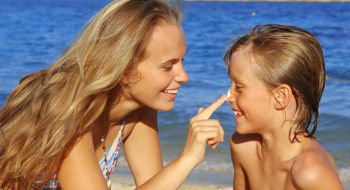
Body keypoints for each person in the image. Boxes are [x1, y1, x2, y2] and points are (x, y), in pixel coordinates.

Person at [0, 0, 226, 189]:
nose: (184, 76)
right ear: (125, 69)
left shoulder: (138, 109)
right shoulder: (67, 110)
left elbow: (155, 184)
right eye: (168, 66)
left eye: (182, 62)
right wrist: (186, 159)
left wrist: (193, 153)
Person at [224, 24, 344, 190]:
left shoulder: (312, 172)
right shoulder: (242, 147)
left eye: (238, 87)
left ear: (280, 97)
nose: (228, 97)